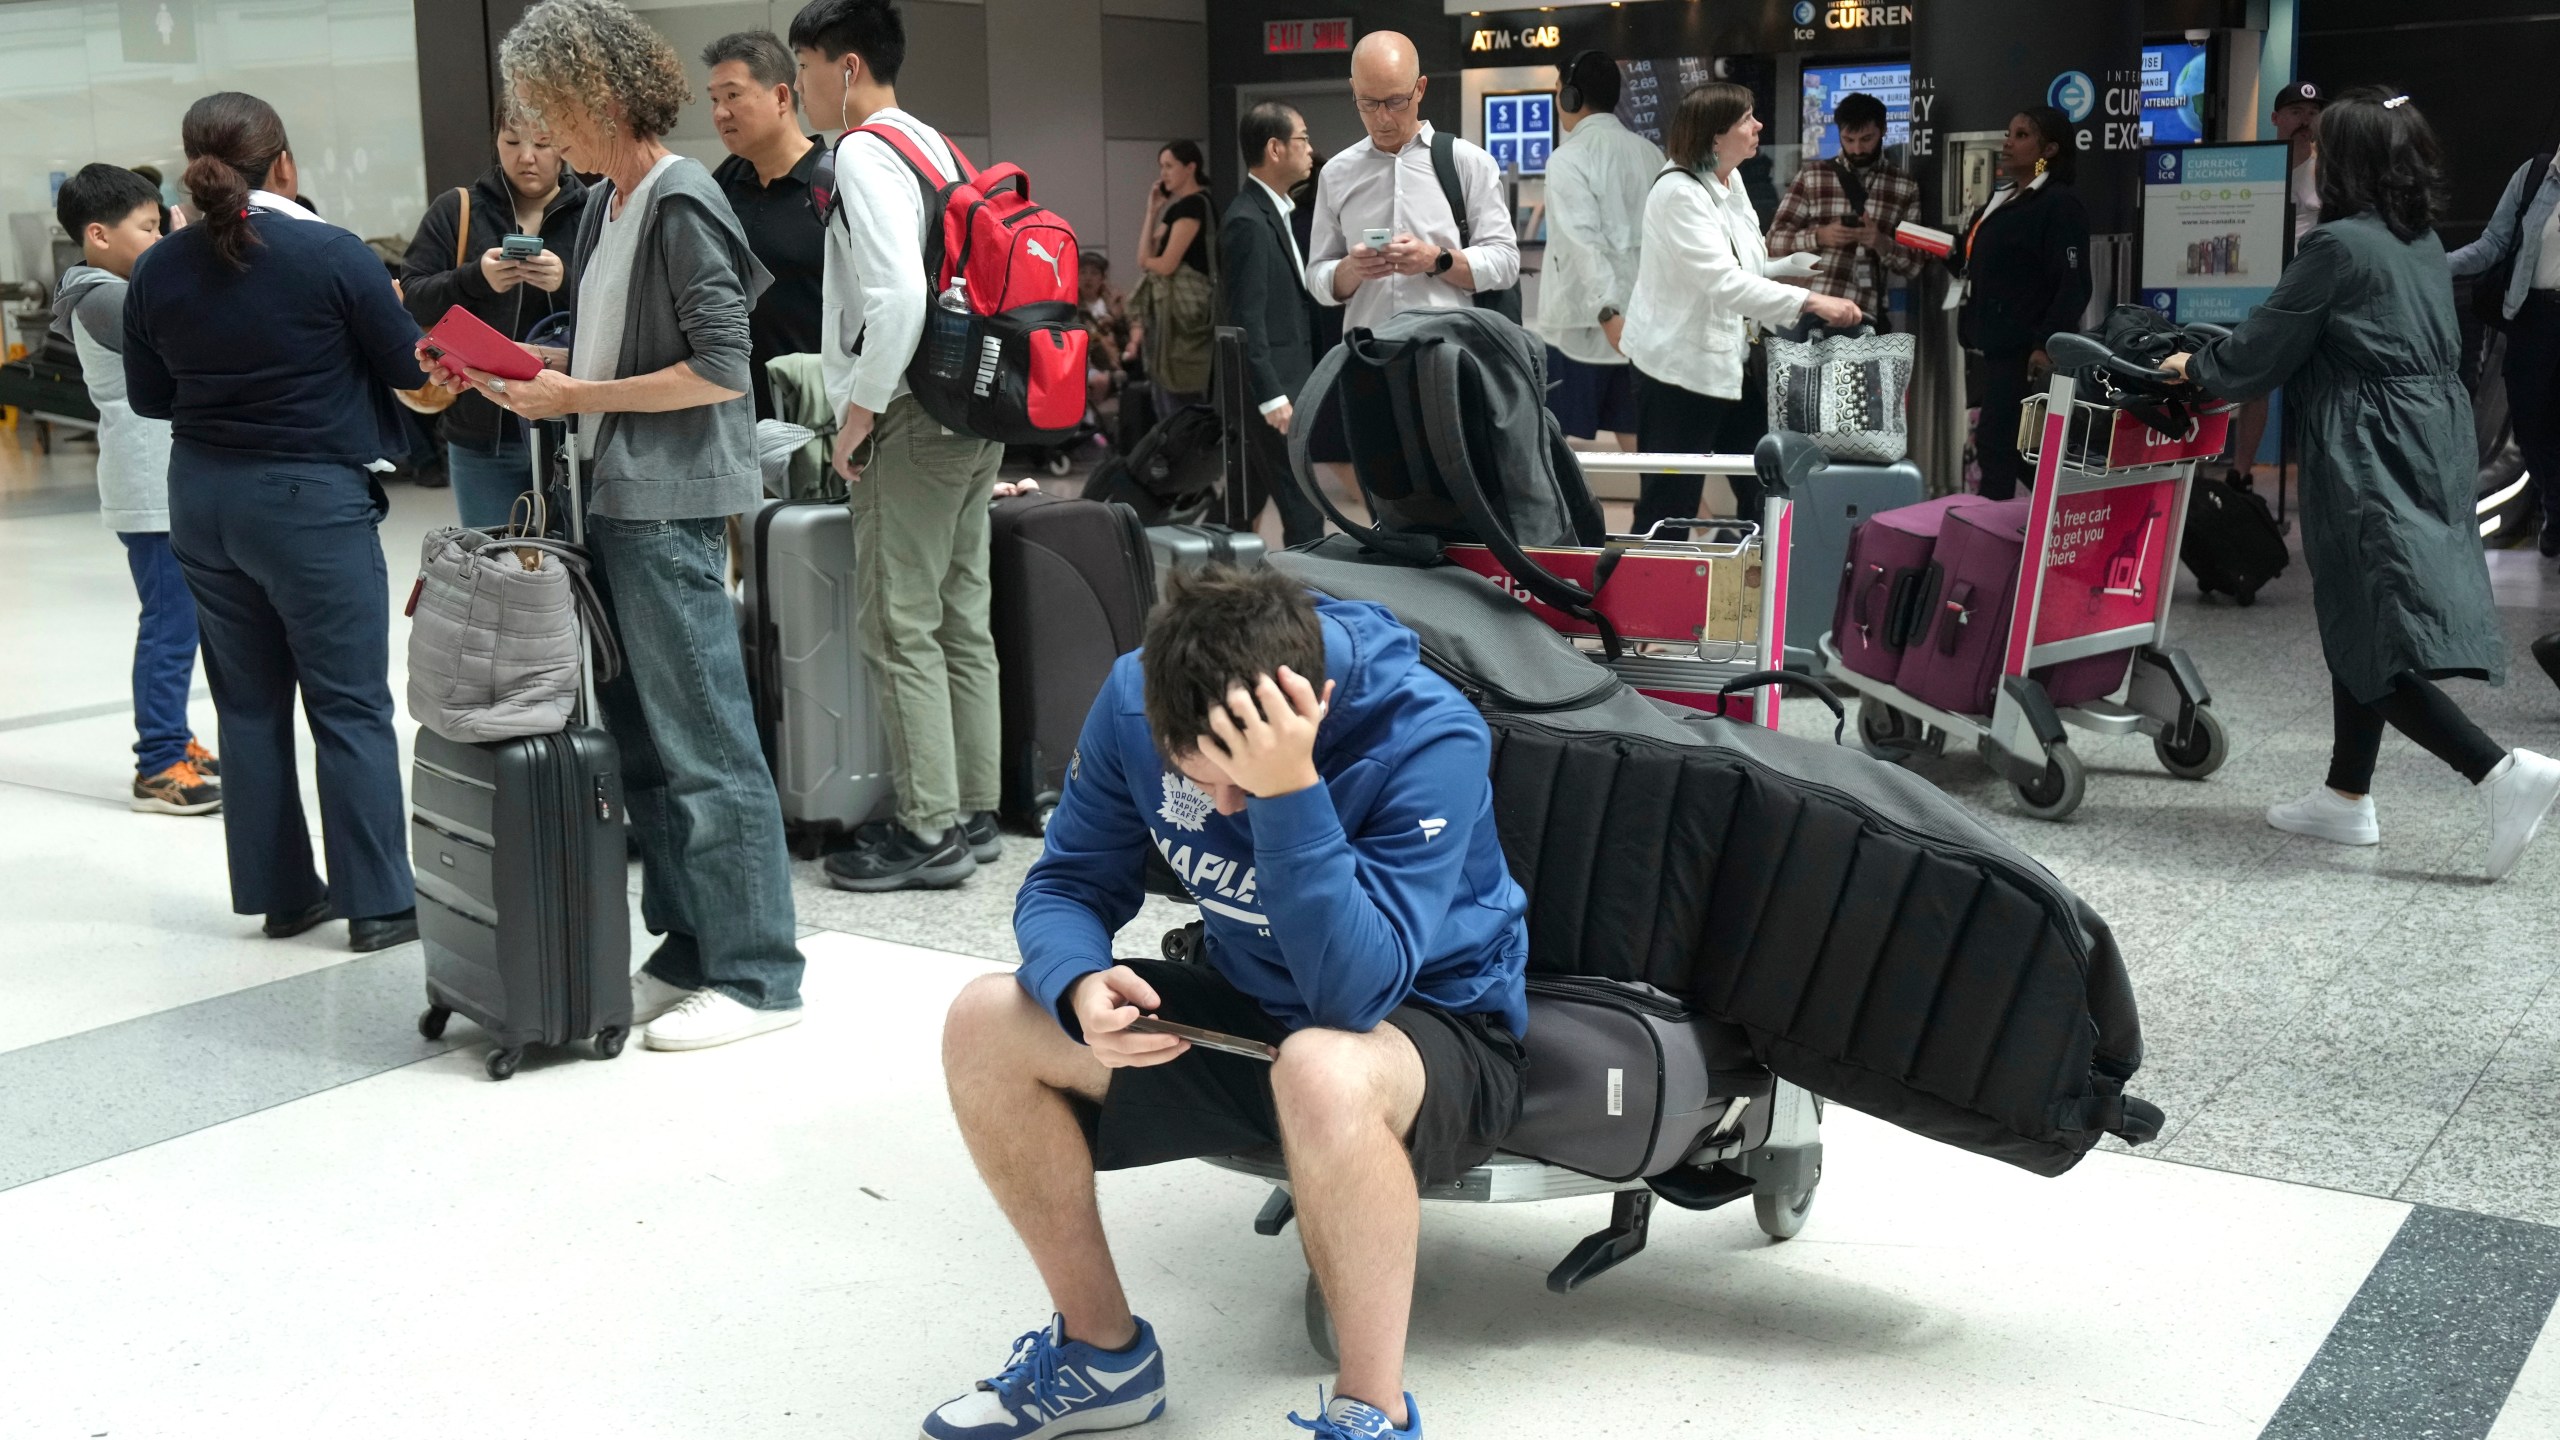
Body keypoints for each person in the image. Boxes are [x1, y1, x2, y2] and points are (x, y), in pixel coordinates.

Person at [932, 564, 1530, 1440]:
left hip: (1429, 1025)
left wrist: (1291, 795)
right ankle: (1105, 1358)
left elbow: (1354, 995)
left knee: (1322, 1066)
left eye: (1241, 781)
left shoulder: (1428, 734)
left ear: (1306, 709)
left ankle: (1372, 1410)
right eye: (1197, 776)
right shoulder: (1136, 698)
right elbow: (1064, 885)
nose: (1221, 806)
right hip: (1256, 1004)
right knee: (987, 1021)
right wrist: (1078, 983)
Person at [450, 0, 807, 1049]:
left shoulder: (679, 198)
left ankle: (758, 972)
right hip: (609, 497)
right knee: (646, 744)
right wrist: (545, 375)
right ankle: (692, 943)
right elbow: (620, 358)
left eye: (554, 109)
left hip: (665, 507)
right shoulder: (610, 202)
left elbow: (717, 372)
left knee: (704, 740)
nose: (544, 135)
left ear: (601, 99)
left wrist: (575, 400)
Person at [2165, 89, 2560, 881]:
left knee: (2368, 624)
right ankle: (2347, 797)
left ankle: (2498, 773)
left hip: (2364, 447)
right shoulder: (2412, 241)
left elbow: (2261, 350)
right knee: (2364, 611)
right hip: (2425, 440)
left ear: (2346, 163)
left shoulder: (2336, 247)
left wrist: (2193, 369)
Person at [123, 92, 420, 952]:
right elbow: (408, 367)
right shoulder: (333, 254)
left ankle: (283, 896)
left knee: (247, 705)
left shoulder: (159, 268)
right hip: (308, 507)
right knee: (350, 704)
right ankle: (380, 906)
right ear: (283, 163)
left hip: (203, 502)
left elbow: (151, 398)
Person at [790, 0, 1006, 890]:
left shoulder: (863, 152)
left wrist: (859, 415)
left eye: (801, 67)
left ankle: (928, 833)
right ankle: (975, 807)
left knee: (899, 622)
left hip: (913, 414)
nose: (797, 86)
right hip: (973, 408)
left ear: (844, 68)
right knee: (961, 613)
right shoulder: (938, 145)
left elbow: (897, 304)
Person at [50, 164, 222, 817]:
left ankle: (174, 740)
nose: (160, 237)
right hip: (148, 485)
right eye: (148, 228)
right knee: (169, 625)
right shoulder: (96, 293)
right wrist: (186, 248)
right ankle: (157, 763)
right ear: (98, 235)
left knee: (186, 621)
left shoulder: (120, 281)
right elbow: (176, 325)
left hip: (168, 480)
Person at [1621, 82, 1861, 534]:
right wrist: (1812, 301)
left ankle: (1759, 588)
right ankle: (1643, 594)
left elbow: (1738, 264)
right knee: (1669, 504)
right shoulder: (1679, 193)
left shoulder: (1728, 181)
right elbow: (1721, 281)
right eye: (1746, 119)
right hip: (1678, 371)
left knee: (1763, 484)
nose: (1758, 126)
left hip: (1732, 364)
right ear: (1715, 136)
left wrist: (1785, 264)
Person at [399, 110, 584, 528]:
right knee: (490, 572)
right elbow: (412, 298)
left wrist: (565, 281)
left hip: (572, 434)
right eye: (512, 141)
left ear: (565, 145)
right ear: (496, 141)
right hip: (483, 435)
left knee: (577, 575)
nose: (527, 157)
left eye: (541, 142)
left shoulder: (592, 212)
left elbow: (625, 311)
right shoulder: (458, 209)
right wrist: (475, 278)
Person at [1306, 31, 1519, 334]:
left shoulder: (1468, 163)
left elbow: (1506, 263)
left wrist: (1438, 259)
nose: (1382, 118)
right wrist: (1351, 269)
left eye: (1395, 101)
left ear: (1420, 88)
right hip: (1367, 358)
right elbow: (1316, 276)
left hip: (1449, 354)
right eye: (1368, 102)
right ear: (1354, 90)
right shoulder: (1336, 173)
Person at [1945, 106, 2091, 502]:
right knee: (1993, 446)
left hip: (2025, 354)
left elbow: (2073, 284)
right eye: (2009, 133)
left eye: (2022, 135)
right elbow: (1983, 263)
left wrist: (2046, 344)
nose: (2008, 142)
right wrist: (1943, 250)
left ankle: (2011, 539)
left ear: (2050, 150)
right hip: (1989, 347)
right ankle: (2001, 535)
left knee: (2009, 448)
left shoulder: (2058, 204)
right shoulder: (2003, 197)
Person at [1534, 49, 1658, 451]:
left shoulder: (1568, 158)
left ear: (1570, 97)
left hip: (1582, 327)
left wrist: (1608, 312)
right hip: (1638, 326)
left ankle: (1559, 517)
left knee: (1552, 443)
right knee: (1641, 444)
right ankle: (1683, 515)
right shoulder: (1650, 154)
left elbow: (1581, 243)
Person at [2450, 121, 2560, 559]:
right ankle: (2555, 504)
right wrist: (2428, 265)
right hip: (2533, 317)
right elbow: (2493, 244)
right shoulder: (2535, 176)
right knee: (2531, 424)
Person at [704, 30, 826, 422]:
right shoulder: (721, 184)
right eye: (715, 100)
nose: (721, 113)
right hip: (734, 416)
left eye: (733, 95)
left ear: (780, 97)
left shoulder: (836, 182)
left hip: (819, 417)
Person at [1221, 100, 1326, 546]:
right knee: (1303, 510)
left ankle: (1223, 588)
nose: (1310, 149)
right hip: (1273, 395)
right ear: (1275, 148)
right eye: (1302, 139)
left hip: (1283, 387)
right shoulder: (1247, 221)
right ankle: (1313, 604)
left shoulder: (1274, 212)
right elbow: (1246, 319)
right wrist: (1271, 397)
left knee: (1244, 505)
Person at [2219, 81, 2328, 496]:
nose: (2306, 118)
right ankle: (2240, 473)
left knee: (2317, 383)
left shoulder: (2329, 170)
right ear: (2276, 118)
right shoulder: (2254, 166)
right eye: (2297, 110)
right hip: (2258, 283)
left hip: (2311, 288)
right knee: (2256, 381)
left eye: (2314, 111)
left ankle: (2318, 475)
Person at [1767, 90, 1921, 329]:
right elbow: (1773, 241)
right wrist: (1820, 236)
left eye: (1866, 139)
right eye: (1849, 140)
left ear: (1883, 131)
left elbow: (1915, 263)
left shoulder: (1903, 186)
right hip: (1805, 310)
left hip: (1861, 314)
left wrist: (1880, 242)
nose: (1858, 149)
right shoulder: (1813, 175)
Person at [1131, 139, 1217, 414]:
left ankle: (1180, 451)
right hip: (1184, 312)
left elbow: (1163, 264)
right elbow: (1147, 255)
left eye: (1169, 166)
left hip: (1182, 315)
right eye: (1161, 167)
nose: (1163, 174)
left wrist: (1148, 261)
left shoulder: (1193, 206)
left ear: (1190, 167)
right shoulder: (1184, 207)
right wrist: (1152, 211)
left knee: (1176, 393)